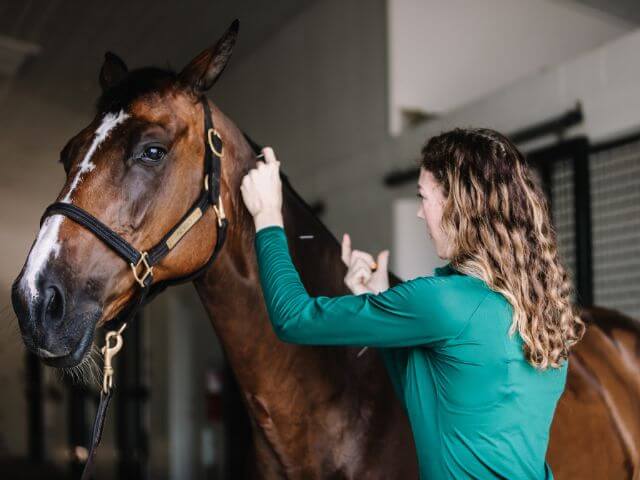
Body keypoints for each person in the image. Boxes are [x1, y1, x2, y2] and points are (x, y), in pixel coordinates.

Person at [239, 128, 585, 479]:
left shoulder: (443, 300)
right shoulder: (543, 310)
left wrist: (267, 216)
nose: (420, 213)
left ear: (456, 204)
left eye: (423, 197)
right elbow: (431, 405)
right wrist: (374, 301)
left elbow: (293, 318)